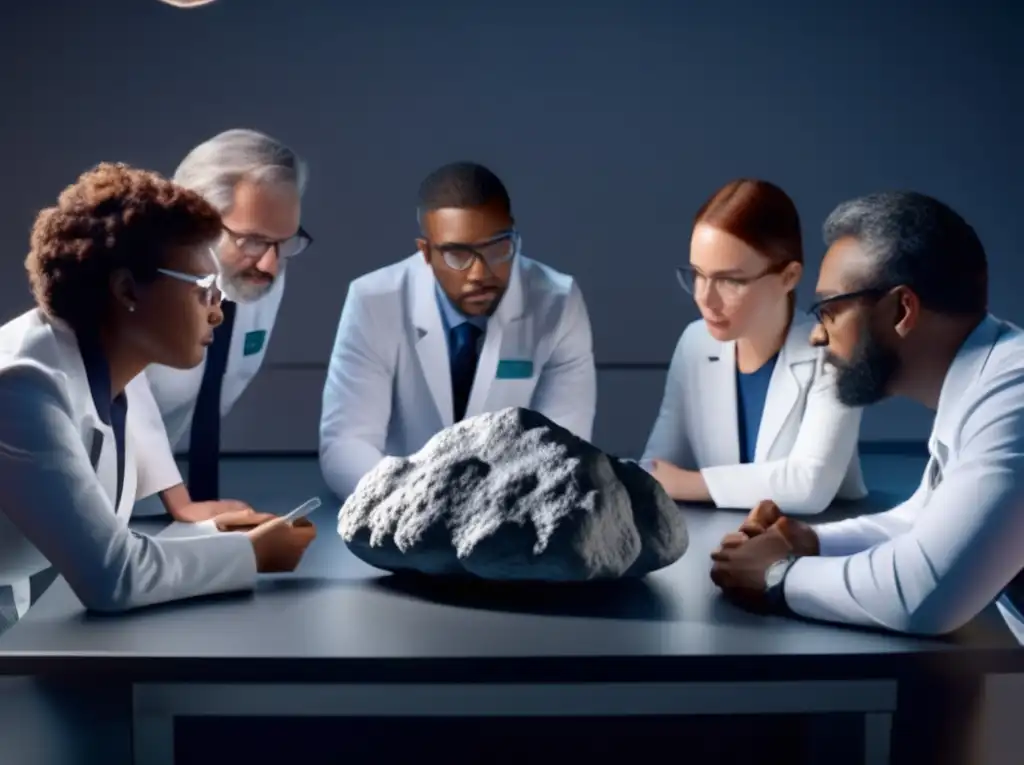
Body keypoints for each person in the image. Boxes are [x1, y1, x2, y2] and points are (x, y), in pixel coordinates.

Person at [0, 163, 316, 635]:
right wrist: (252, 554)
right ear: (128, 289)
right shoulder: (22, 387)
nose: (217, 314)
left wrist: (218, 534)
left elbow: (108, 538)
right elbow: (114, 576)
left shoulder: (113, 368)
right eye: (203, 291)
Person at [709, 190, 1024, 644]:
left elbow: (922, 594)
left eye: (829, 310)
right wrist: (807, 541)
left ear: (901, 310)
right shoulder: (989, 377)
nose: (817, 336)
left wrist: (777, 576)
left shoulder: (1013, 397)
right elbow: (922, 521)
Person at [319, 161, 597, 499]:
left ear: (514, 234)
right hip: (401, 509)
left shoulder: (557, 301)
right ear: (425, 252)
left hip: (512, 510)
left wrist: (502, 503)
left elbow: (565, 444)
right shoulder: (375, 301)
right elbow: (347, 443)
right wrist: (414, 500)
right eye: (457, 254)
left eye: (498, 247)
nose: (479, 273)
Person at [641, 179, 866, 515]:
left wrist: (686, 484)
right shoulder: (695, 343)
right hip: (714, 540)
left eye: (730, 280)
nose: (705, 297)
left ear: (789, 277)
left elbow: (808, 487)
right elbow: (656, 469)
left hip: (815, 544)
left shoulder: (834, 351)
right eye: (699, 275)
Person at [142, 129, 311, 504]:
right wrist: (184, 509)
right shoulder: (138, 288)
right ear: (194, 223)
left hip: (133, 495)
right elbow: (118, 417)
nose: (271, 263)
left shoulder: (260, 274)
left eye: (284, 242)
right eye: (251, 240)